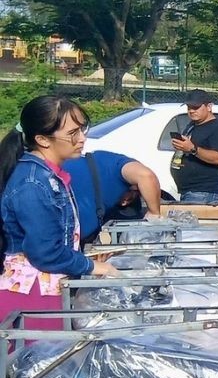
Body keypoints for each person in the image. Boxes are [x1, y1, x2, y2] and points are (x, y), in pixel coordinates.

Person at [0, 95, 119, 331]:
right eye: (72, 133)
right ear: (43, 139)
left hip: (48, 289)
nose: (82, 138)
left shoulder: (49, 176)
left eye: (82, 129)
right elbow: (44, 252)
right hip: (31, 295)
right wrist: (92, 266)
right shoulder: (33, 183)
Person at [62, 151, 162, 243]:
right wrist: (154, 214)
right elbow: (146, 176)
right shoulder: (112, 166)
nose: (124, 202)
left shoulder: (105, 161)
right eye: (131, 198)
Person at [170, 89, 218, 203]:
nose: (192, 111)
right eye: (189, 107)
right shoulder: (192, 125)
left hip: (203, 192)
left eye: (196, 107)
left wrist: (193, 149)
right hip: (189, 191)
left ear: (209, 106)